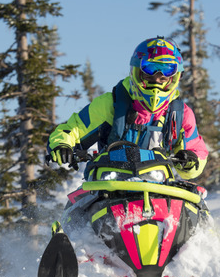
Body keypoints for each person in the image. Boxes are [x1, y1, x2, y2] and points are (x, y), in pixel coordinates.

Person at [47, 36, 209, 180]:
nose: (157, 79)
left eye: (165, 72)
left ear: (175, 76)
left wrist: (191, 160)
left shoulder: (180, 114)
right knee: (77, 205)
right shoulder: (111, 103)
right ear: (137, 71)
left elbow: (197, 151)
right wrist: (62, 147)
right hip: (108, 184)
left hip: (158, 186)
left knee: (195, 204)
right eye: (149, 70)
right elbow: (71, 129)